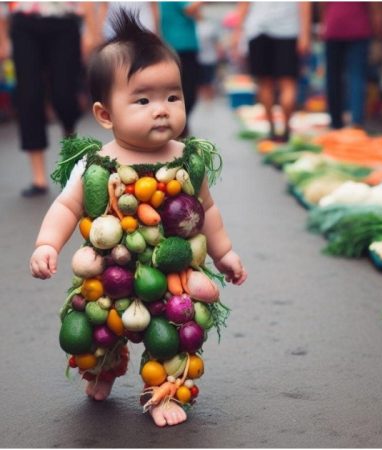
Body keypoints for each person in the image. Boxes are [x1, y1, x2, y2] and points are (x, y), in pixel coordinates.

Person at [28, 10, 247, 427]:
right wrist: (46, 244)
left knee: (177, 337)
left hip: (173, 280)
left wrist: (225, 253)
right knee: (92, 331)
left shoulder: (188, 160)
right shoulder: (96, 164)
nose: (161, 110)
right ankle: (102, 368)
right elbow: (66, 207)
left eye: (172, 96)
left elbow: (209, 211)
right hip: (105, 278)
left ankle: (161, 389)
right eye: (143, 100)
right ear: (105, 115)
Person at [0, 3, 95, 197]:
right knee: (29, 97)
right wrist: (2, 37)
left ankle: (71, 159)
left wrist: (91, 30)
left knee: (65, 97)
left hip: (64, 22)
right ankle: (39, 179)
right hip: (24, 23)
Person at [232, 2, 311, 142]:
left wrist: (237, 33)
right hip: (288, 31)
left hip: (258, 30)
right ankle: (286, 130)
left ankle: (272, 129)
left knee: (265, 84)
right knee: (288, 84)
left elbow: (244, 4)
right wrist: (305, 34)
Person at [320, 2, 376, 130]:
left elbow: (321, 4)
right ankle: (356, 121)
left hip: (334, 24)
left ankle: (336, 121)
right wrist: (375, 21)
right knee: (356, 76)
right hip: (358, 26)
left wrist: (324, 21)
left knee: (333, 77)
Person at [159, 2, 202, 137]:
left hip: (173, 45)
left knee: (179, 90)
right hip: (182, 46)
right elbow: (191, 9)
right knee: (187, 91)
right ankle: (179, 127)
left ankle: (179, 126)